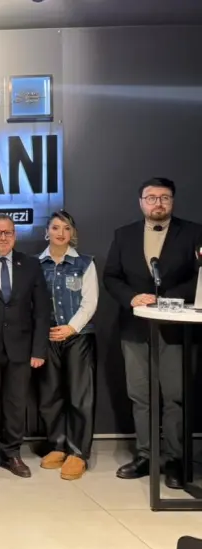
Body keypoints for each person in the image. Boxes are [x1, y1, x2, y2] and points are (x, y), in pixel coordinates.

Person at [104, 177, 202, 488]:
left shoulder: (194, 233)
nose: (158, 203)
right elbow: (111, 276)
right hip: (135, 329)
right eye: (151, 198)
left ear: (172, 201)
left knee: (175, 397)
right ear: (141, 202)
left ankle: (175, 460)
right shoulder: (124, 235)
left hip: (177, 330)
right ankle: (146, 455)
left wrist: (168, 298)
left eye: (164, 197)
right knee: (140, 395)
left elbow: (199, 276)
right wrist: (132, 297)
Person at [0, 214, 49, 480]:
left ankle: (11, 453)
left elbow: (41, 310)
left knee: (16, 404)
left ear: (15, 235)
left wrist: (39, 349)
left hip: (22, 348)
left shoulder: (30, 264)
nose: (2, 238)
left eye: (8, 233)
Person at [37, 210, 98, 480]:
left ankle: (78, 453)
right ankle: (57, 445)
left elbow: (90, 302)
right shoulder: (37, 264)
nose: (60, 233)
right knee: (50, 395)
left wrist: (71, 328)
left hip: (78, 337)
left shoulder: (85, 263)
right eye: (55, 227)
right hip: (48, 338)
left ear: (72, 233)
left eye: (66, 228)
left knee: (79, 396)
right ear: (46, 232)